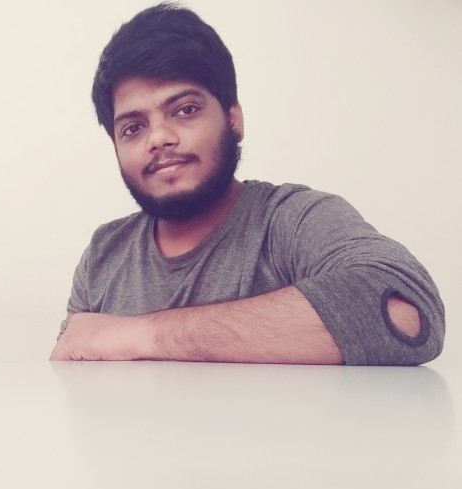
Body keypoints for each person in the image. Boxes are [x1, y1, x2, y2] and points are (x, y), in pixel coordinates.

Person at [50, 3, 444, 365]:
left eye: (185, 110)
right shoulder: (104, 254)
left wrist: (140, 335)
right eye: (133, 128)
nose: (159, 138)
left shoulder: (291, 220)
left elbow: (407, 312)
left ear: (233, 119)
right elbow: (72, 378)